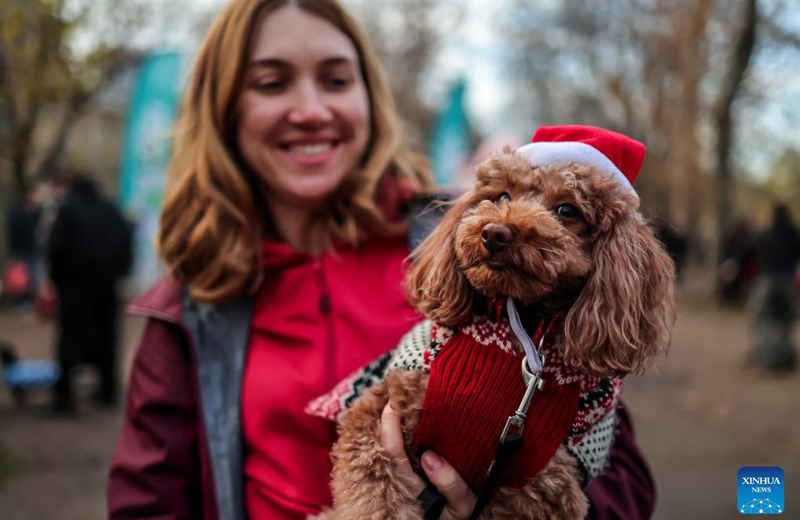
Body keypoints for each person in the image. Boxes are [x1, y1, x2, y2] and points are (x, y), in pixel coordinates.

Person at [107, 1, 657, 519]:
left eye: (337, 80)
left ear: (370, 98)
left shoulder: (451, 240)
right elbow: (149, 504)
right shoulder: (190, 306)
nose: (312, 110)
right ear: (224, 109)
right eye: (272, 83)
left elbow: (620, 475)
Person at [46, 175, 132, 412]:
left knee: (69, 339)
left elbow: (56, 246)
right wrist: (120, 273)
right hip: (107, 286)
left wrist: (56, 279)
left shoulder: (69, 209)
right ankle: (108, 391)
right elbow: (127, 240)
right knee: (108, 339)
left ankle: (64, 397)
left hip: (75, 287)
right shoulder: (111, 208)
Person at [746, 204, 800, 372]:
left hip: (766, 280)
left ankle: (765, 354)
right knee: (786, 319)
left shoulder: (764, 234)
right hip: (787, 280)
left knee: (761, 317)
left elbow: (749, 253)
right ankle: (784, 354)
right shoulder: (794, 234)